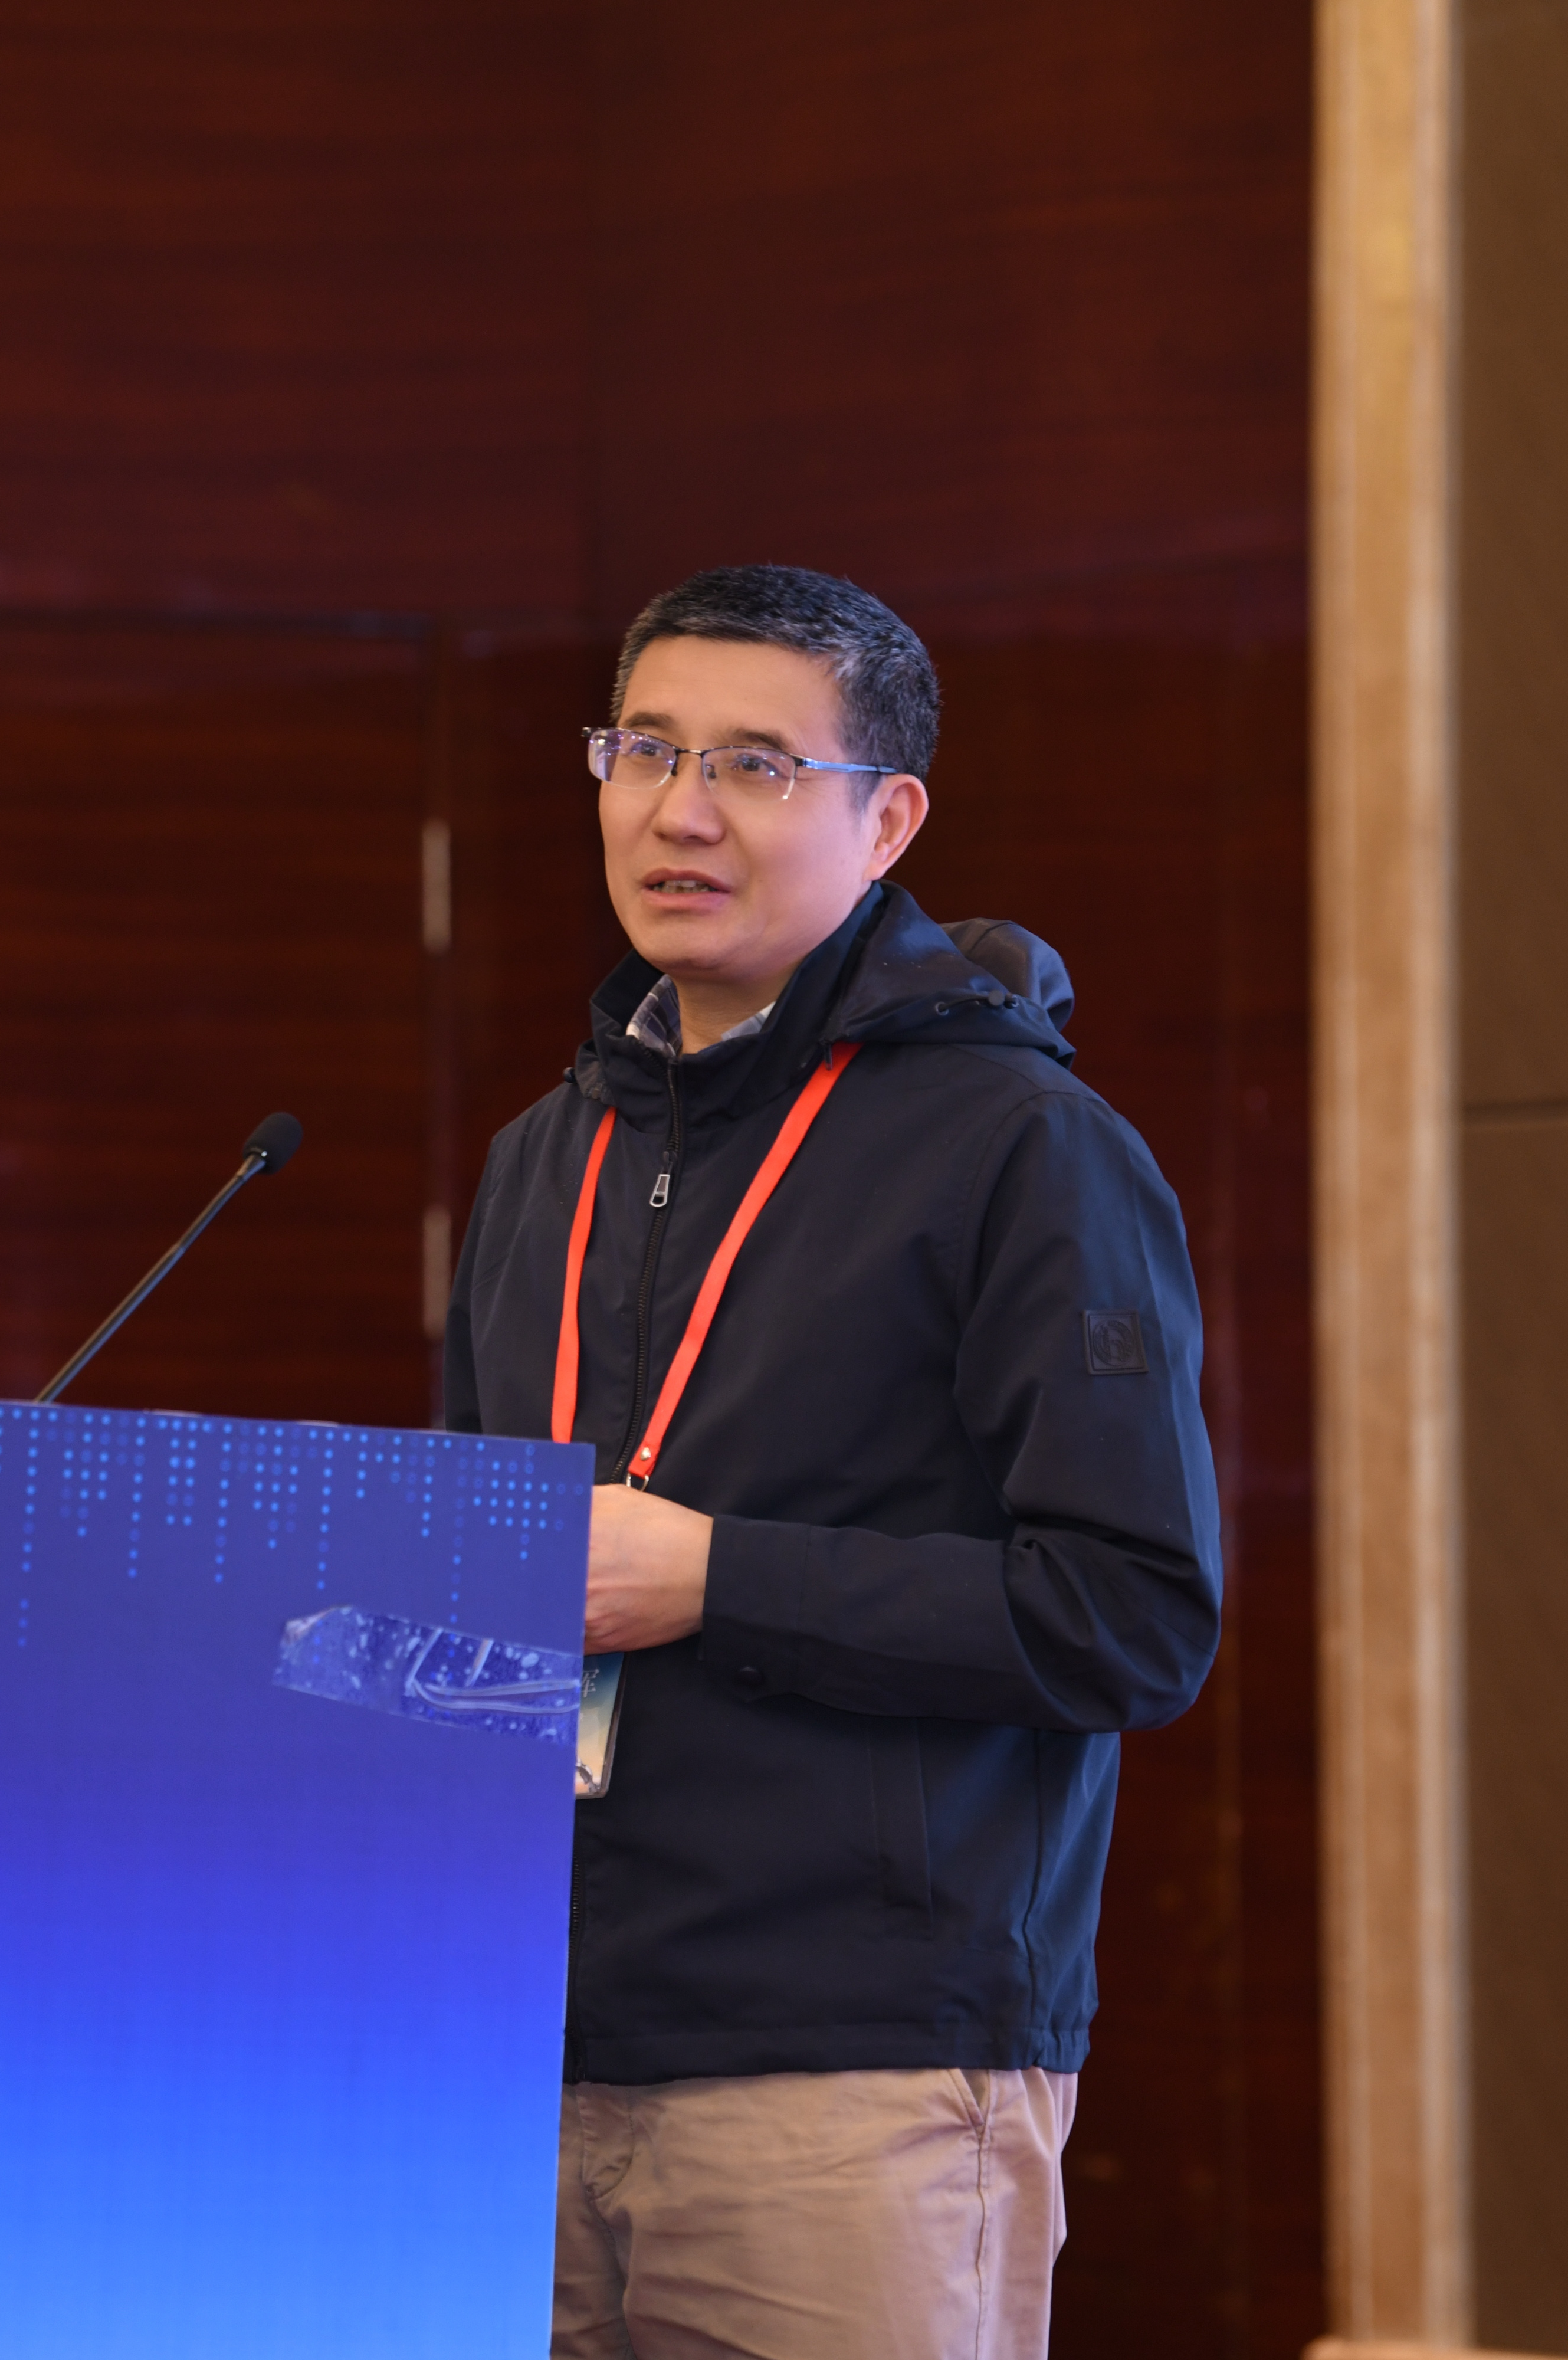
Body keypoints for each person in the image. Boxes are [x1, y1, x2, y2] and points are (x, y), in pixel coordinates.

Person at [441, 565, 1224, 2359]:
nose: (679, 811)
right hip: (516, 2059)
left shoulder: (1024, 1146)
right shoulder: (540, 1157)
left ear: (889, 821)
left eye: (755, 765)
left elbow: (1130, 1614)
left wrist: (718, 1579)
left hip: (854, 2070)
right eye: (644, 751)